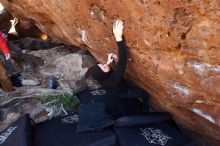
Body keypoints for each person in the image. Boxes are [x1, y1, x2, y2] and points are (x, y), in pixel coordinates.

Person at [86, 19, 127, 89]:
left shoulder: (101, 77)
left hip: (117, 82)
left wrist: (107, 63)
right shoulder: (113, 80)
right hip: (124, 90)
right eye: (104, 67)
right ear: (104, 74)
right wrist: (118, 37)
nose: (105, 64)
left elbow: (102, 70)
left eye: (102, 64)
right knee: (143, 93)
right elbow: (122, 61)